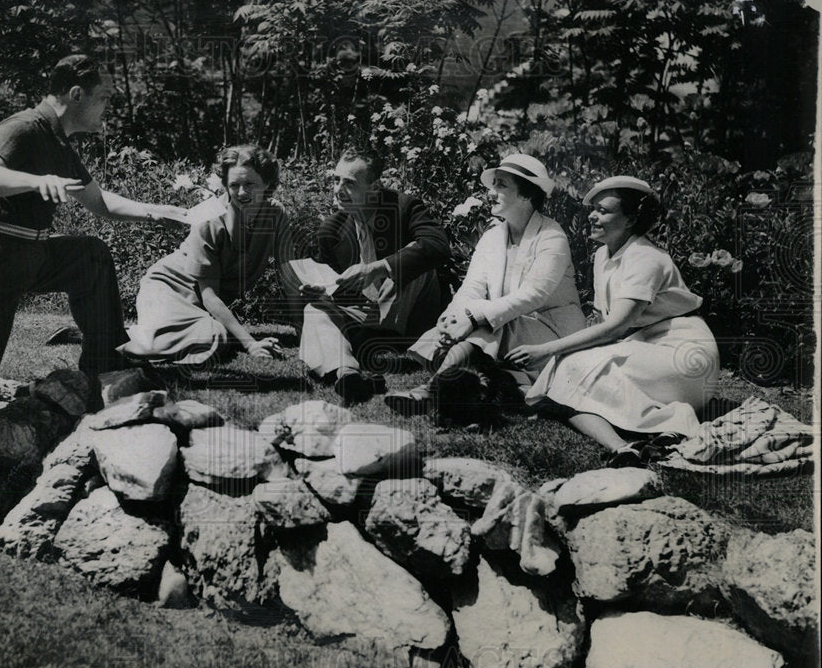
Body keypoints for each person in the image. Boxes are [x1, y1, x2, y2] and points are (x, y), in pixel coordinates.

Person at [0, 54, 185, 539]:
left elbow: (101, 205)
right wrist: (37, 182)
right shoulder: (24, 127)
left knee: (90, 256)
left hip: (27, 254)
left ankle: (103, 365)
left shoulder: (60, 142)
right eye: (103, 98)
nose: (107, 109)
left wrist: (163, 212)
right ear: (76, 94)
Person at [508, 176, 720, 467]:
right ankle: (633, 441)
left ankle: (655, 429)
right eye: (593, 208)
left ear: (631, 219)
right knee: (565, 376)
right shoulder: (601, 257)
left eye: (604, 210)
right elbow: (603, 322)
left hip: (684, 355)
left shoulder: (646, 257)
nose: (592, 216)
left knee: (567, 368)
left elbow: (616, 327)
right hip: (644, 349)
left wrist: (547, 349)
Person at [385, 154, 585, 415]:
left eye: (501, 185)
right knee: (488, 319)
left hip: (551, 336)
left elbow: (533, 295)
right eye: (494, 185)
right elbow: (472, 287)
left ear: (526, 195)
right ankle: (455, 386)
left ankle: (430, 390)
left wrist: (472, 318)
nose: (492, 193)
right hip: (506, 327)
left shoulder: (552, 237)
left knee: (492, 320)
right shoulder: (493, 236)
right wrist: (452, 318)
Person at [295, 146, 450, 404]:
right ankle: (347, 373)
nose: (338, 189)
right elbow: (337, 285)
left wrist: (375, 268)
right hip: (366, 312)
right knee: (314, 309)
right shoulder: (332, 228)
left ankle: (373, 340)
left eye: (350, 183)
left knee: (414, 254)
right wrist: (325, 290)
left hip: (409, 316)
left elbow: (438, 247)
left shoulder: (403, 207)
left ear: (375, 187)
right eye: (336, 180)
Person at [120, 144, 293, 365]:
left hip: (200, 304)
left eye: (250, 184)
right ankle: (116, 340)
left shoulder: (276, 214)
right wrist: (250, 344)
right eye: (234, 185)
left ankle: (144, 334)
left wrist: (303, 331)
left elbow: (290, 273)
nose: (241, 193)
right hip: (167, 288)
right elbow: (210, 296)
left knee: (215, 334)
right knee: (213, 336)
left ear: (267, 183)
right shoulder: (209, 219)